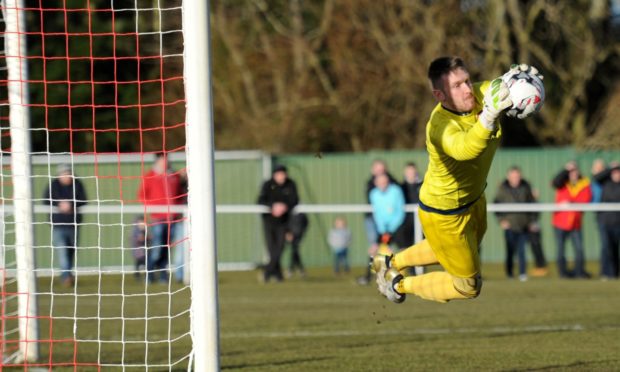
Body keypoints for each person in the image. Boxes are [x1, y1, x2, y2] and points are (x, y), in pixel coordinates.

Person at [372, 57, 539, 304]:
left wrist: (516, 79)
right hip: (445, 214)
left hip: (473, 198)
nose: (467, 89)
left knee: (452, 252)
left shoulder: (477, 95)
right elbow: (465, 149)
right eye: (457, 86)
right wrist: (488, 117)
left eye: (468, 80)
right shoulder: (439, 127)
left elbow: (496, 88)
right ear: (440, 95)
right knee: (468, 286)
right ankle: (398, 284)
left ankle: (387, 262)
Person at [137, 152, 183, 283]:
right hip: (158, 218)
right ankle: (149, 273)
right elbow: (141, 195)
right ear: (158, 161)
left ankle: (163, 276)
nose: (165, 162)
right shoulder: (150, 176)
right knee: (156, 248)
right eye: (163, 160)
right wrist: (154, 207)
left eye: (167, 160)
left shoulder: (174, 175)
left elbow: (180, 195)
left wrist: (177, 209)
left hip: (173, 218)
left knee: (166, 248)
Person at [43, 163, 88, 287]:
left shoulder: (77, 184)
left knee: (71, 251)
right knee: (62, 250)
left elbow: (84, 200)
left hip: (73, 224)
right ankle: (66, 277)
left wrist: (71, 205)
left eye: (68, 173)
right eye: (64, 173)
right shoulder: (53, 185)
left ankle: (68, 274)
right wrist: (59, 204)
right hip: (58, 224)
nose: (67, 176)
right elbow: (46, 200)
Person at [494, 166, 538, 281]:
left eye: (517, 176)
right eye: (513, 176)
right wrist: (501, 221)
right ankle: (509, 273)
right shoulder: (502, 188)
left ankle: (523, 273)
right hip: (510, 225)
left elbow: (533, 204)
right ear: (508, 177)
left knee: (522, 251)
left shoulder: (526, 186)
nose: (516, 179)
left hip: (524, 225)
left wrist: (532, 221)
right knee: (510, 251)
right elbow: (496, 205)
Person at [358, 159, 398, 285]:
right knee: (374, 247)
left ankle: (392, 274)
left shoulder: (393, 182)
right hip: (373, 220)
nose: (380, 171)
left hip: (388, 222)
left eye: (382, 169)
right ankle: (369, 275)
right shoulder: (370, 184)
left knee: (389, 247)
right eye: (377, 169)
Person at [257, 165, 299, 283]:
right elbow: (260, 200)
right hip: (269, 222)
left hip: (284, 222)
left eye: (283, 173)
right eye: (279, 174)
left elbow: (295, 200)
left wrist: (284, 207)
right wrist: (273, 206)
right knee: (272, 249)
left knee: (279, 248)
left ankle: (267, 271)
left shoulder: (291, 184)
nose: (281, 176)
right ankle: (278, 275)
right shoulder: (267, 185)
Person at [551, 161, 592, 279]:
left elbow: (586, 199)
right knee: (560, 249)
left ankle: (579, 272)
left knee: (579, 248)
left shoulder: (584, 183)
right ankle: (563, 273)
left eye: (575, 170)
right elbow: (555, 182)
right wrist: (565, 169)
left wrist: (571, 203)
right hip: (560, 222)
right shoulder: (562, 183)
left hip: (576, 222)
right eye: (570, 171)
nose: (573, 173)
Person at [593, 162, 620, 280]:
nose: (616, 175)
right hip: (605, 221)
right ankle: (605, 273)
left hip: (618, 222)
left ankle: (615, 273)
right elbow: (596, 178)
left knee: (615, 248)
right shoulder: (605, 182)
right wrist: (610, 167)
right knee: (606, 247)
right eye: (615, 172)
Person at [369, 173, 406, 251]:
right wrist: (383, 231)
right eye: (380, 182)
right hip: (383, 229)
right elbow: (377, 214)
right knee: (374, 249)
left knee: (403, 249)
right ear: (376, 183)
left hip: (397, 227)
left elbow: (400, 212)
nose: (382, 184)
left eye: (384, 182)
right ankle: (373, 263)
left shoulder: (396, 191)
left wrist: (391, 229)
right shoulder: (373, 194)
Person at [396, 162, 423, 249]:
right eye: (408, 172)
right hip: (406, 222)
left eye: (412, 172)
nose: (411, 174)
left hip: (421, 220)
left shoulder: (423, 185)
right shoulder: (401, 187)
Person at [285, 212, 309, 278]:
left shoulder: (302, 214)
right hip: (291, 235)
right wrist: (288, 233)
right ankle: (300, 270)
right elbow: (286, 223)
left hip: (299, 235)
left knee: (294, 251)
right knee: (295, 252)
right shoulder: (289, 213)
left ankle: (291, 269)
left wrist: (302, 232)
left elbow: (306, 223)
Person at [130, 215, 149, 280]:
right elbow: (137, 239)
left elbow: (147, 238)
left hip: (143, 250)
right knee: (138, 262)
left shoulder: (145, 230)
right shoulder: (136, 230)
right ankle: (137, 275)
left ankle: (146, 275)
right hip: (138, 250)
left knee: (145, 262)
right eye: (140, 223)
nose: (142, 224)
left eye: (143, 222)